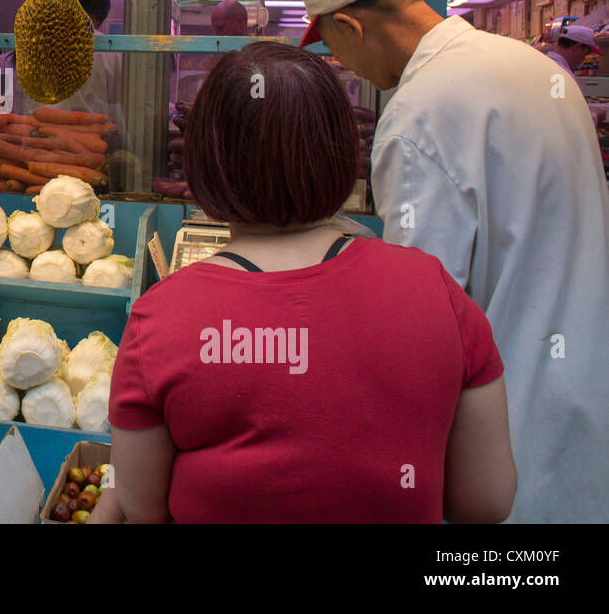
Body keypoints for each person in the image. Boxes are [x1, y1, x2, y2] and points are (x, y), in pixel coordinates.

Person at [94, 42, 516, 523]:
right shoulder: (437, 291)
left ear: (204, 162)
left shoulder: (163, 316)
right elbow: (486, 502)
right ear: (343, 156)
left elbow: (143, 509)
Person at [300, 0, 609, 523]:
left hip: (506, 439)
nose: (338, 62)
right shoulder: (534, 67)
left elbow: (418, 319)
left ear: (348, 24)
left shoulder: (419, 116)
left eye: (331, 46)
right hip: (584, 396)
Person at [1, 0, 123, 122]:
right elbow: (118, 107)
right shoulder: (112, 53)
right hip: (85, 141)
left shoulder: (35, 41)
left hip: (34, 138)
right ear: (104, 10)